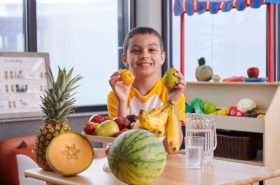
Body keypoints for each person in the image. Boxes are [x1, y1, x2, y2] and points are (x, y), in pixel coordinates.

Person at [107, 26, 186, 153]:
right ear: (125, 59)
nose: (144, 55)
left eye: (152, 50)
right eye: (136, 50)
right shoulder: (115, 95)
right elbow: (119, 146)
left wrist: (173, 102)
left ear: (162, 57)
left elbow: (171, 148)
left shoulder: (175, 94)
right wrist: (122, 101)